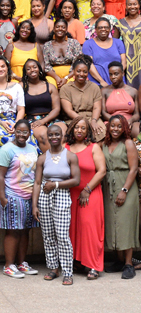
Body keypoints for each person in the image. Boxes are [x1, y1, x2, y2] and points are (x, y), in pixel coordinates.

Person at [31, 124, 80, 285]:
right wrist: (34, 205)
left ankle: (67, 271)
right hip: (44, 197)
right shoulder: (42, 158)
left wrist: (56, 185)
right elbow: (37, 182)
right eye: (51, 135)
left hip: (62, 195)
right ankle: (53, 268)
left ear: (62, 136)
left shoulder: (70, 156)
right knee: (48, 235)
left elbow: (76, 180)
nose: (54, 137)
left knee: (62, 236)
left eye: (57, 134)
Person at [0, 119, 40, 278]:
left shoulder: (33, 149)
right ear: (14, 131)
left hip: (29, 196)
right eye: (18, 131)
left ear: (29, 133)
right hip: (12, 195)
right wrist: (2, 197)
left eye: (25, 132)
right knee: (13, 231)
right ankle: (9, 265)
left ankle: (21, 263)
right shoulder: (6, 150)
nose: (21, 134)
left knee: (25, 231)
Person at [65, 116, 106, 280]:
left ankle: (93, 266)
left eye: (83, 128)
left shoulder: (94, 147)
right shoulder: (65, 147)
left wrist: (87, 189)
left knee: (90, 230)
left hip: (90, 193)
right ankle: (78, 262)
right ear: (72, 130)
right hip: (70, 195)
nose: (79, 130)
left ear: (88, 131)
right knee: (73, 230)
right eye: (76, 127)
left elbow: (101, 171)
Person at [102, 115, 140, 279]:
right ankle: (118, 260)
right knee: (113, 224)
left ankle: (128, 263)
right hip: (109, 187)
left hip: (126, 185)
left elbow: (133, 169)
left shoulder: (128, 143)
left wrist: (124, 190)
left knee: (126, 224)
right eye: (112, 126)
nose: (115, 129)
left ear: (124, 127)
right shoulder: (105, 143)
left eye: (119, 126)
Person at [0, 56, 32, 157]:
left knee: (26, 135)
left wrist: (16, 124)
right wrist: (1, 122)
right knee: (0, 136)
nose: (0, 69)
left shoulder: (17, 86)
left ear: (7, 69)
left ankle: (25, 167)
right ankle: (3, 168)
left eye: (3, 66)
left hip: (14, 120)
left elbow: (21, 109)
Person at [22, 59, 65, 152]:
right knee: (43, 135)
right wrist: (39, 122)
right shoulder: (22, 87)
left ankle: (64, 162)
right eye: (28, 69)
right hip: (32, 120)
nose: (32, 70)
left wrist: (43, 121)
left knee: (62, 133)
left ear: (39, 69)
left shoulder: (50, 86)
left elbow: (56, 109)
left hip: (51, 117)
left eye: (34, 67)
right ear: (25, 72)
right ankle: (50, 162)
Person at [59, 58, 107, 142]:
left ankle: (97, 153)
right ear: (73, 71)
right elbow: (69, 110)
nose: (81, 74)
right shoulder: (65, 88)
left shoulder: (94, 87)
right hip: (74, 119)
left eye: (85, 72)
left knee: (101, 133)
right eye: (78, 71)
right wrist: (84, 122)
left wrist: (93, 121)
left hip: (92, 118)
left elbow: (97, 108)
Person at [83, 18, 126, 87]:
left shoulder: (118, 42)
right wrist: (102, 82)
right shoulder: (88, 44)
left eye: (106, 27)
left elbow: (124, 62)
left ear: (110, 29)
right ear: (96, 29)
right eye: (100, 27)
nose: (103, 29)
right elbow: (90, 65)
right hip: (98, 83)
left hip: (118, 82)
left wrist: (117, 78)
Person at [102, 61, 140, 137]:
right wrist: (118, 122)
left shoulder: (133, 91)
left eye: (116, 74)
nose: (113, 77)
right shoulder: (104, 91)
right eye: (111, 74)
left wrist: (130, 121)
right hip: (111, 122)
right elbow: (103, 112)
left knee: (138, 130)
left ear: (122, 73)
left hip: (129, 122)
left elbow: (137, 114)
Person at [43, 19, 83, 88]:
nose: (60, 29)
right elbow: (46, 66)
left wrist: (66, 78)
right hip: (53, 76)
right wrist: (57, 78)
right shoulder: (47, 45)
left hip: (72, 75)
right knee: (50, 85)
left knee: (70, 86)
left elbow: (78, 64)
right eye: (57, 27)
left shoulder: (74, 43)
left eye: (63, 27)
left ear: (66, 30)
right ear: (54, 29)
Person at [118, 0, 141, 88]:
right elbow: (116, 43)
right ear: (126, 6)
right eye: (130, 4)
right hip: (126, 60)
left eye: (135, 4)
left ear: (139, 5)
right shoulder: (120, 22)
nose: (132, 7)